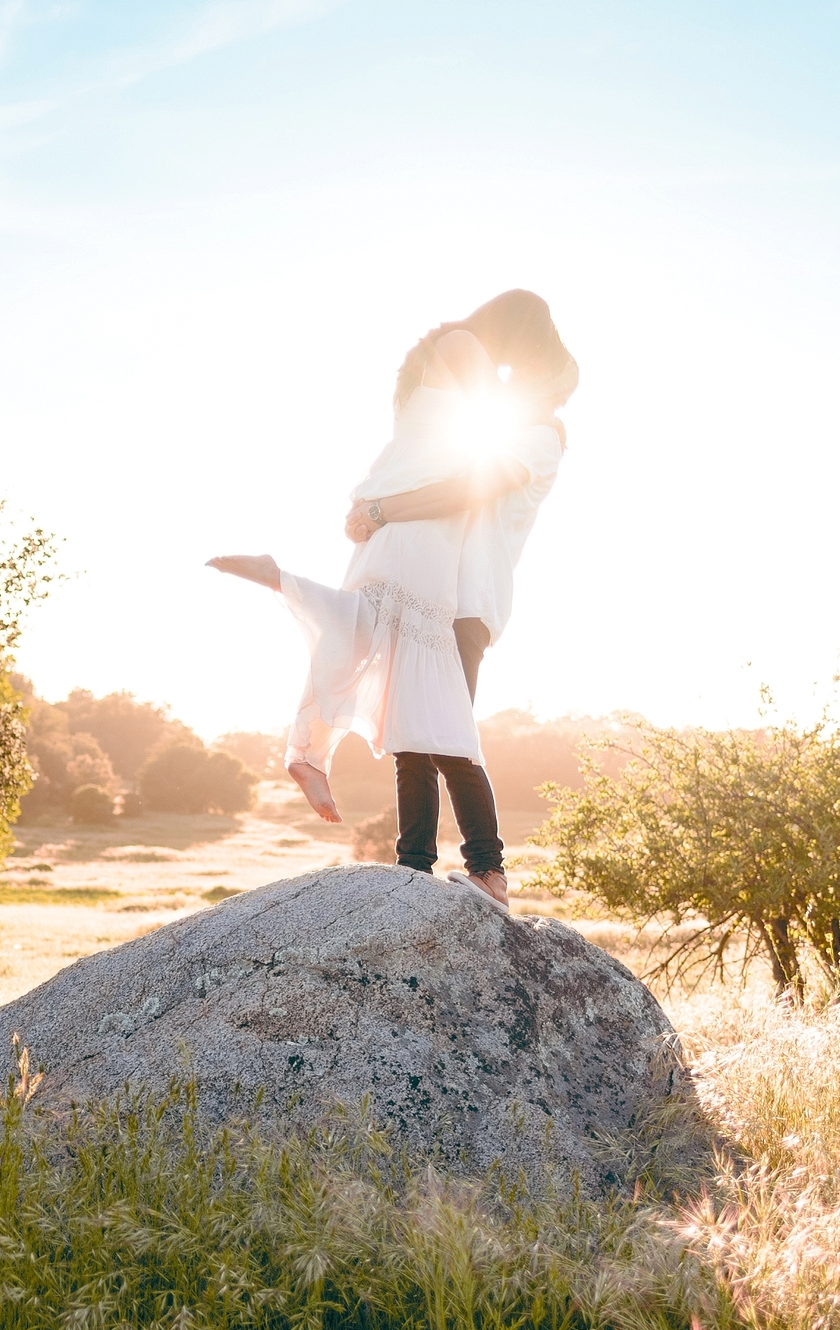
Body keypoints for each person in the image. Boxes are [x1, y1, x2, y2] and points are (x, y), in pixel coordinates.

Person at [211, 290, 575, 909]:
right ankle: (414, 869)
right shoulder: (490, 422)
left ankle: (489, 870)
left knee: (444, 730)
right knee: (410, 736)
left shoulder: (541, 437)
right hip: (430, 585)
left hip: (469, 598)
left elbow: (467, 487)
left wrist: (381, 510)